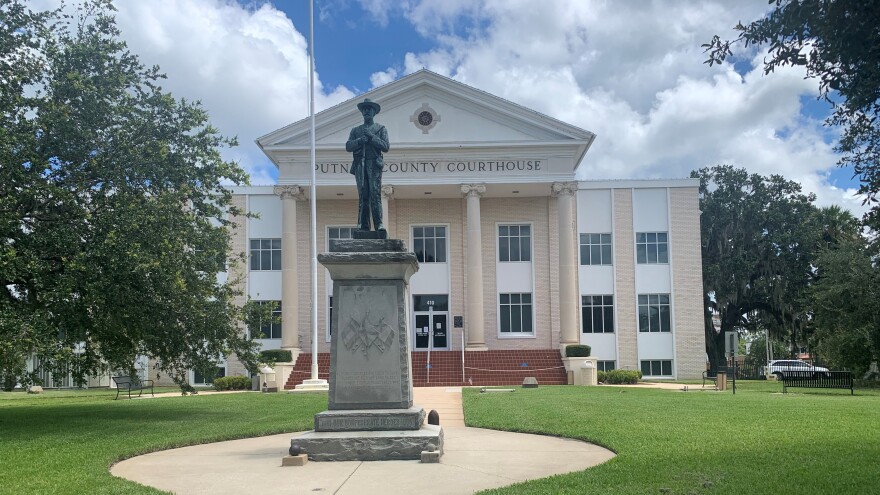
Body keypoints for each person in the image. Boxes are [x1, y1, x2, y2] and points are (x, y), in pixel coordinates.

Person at [345, 98, 389, 234]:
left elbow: (386, 146)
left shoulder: (380, 128)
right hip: (360, 164)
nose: (366, 111)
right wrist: (360, 141)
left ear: (374, 112)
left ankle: (379, 224)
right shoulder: (356, 130)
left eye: (369, 109)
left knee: (375, 194)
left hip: (374, 164)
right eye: (364, 109)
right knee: (363, 195)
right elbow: (348, 146)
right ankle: (363, 225)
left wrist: (371, 137)